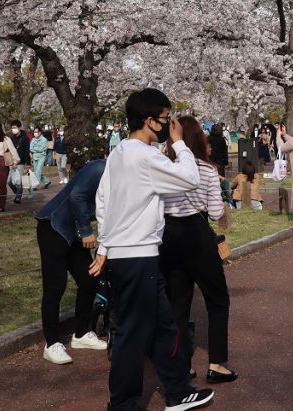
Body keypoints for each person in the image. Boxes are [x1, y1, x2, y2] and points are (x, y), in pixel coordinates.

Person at [88, 88, 214, 411]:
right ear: (149, 121)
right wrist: (180, 143)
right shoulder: (146, 155)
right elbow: (189, 179)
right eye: (165, 118)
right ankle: (123, 403)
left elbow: (103, 201)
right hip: (138, 254)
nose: (169, 124)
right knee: (133, 333)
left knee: (162, 325)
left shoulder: (118, 153)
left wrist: (105, 245)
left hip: (129, 253)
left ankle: (177, 390)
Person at [160, 116, 237, 385]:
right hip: (196, 232)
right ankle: (216, 364)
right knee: (217, 300)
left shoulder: (165, 167)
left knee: (177, 304)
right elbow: (215, 212)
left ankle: (182, 365)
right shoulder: (205, 169)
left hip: (168, 236)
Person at [36, 159, 109, 364]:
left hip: (75, 231)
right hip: (54, 226)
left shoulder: (126, 177)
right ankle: (51, 344)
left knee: (89, 280)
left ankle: (81, 333)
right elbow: (77, 195)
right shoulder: (100, 168)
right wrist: (87, 232)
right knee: (55, 286)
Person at [8, 120, 32, 203]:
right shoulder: (11, 138)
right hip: (12, 162)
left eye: (15, 128)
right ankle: (18, 193)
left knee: (18, 182)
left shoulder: (25, 138)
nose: (13, 129)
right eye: (12, 128)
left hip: (21, 162)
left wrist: (28, 163)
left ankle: (18, 198)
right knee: (9, 181)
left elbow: (27, 151)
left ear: (19, 127)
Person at [30, 126, 52, 190]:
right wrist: (38, 150)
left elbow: (43, 149)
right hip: (35, 157)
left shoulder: (44, 140)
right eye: (34, 132)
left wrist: (35, 149)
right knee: (37, 171)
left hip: (42, 157)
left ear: (40, 132)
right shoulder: (33, 139)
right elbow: (31, 148)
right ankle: (47, 181)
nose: (35, 133)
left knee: (38, 171)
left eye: (36, 132)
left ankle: (35, 186)